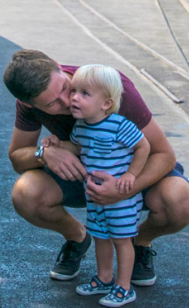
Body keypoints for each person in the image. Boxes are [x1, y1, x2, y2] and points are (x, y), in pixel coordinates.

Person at [4, 50, 189, 288]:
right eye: (52, 103)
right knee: (26, 193)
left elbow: (164, 154)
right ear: (27, 103)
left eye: (65, 87)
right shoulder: (27, 103)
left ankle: (140, 241)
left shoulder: (110, 87)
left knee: (180, 201)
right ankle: (77, 237)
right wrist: (44, 153)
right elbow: (16, 156)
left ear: (57, 65)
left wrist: (125, 188)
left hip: (130, 172)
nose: (68, 102)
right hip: (84, 175)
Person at [41, 65, 150, 306]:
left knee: (122, 240)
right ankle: (104, 277)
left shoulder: (120, 125)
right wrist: (54, 145)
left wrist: (131, 175)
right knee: (101, 236)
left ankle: (124, 287)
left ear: (106, 104)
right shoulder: (81, 127)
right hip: (94, 196)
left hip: (120, 196)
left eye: (85, 94)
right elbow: (78, 149)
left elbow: (144, 146)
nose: (74, 98)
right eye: (75, 91)